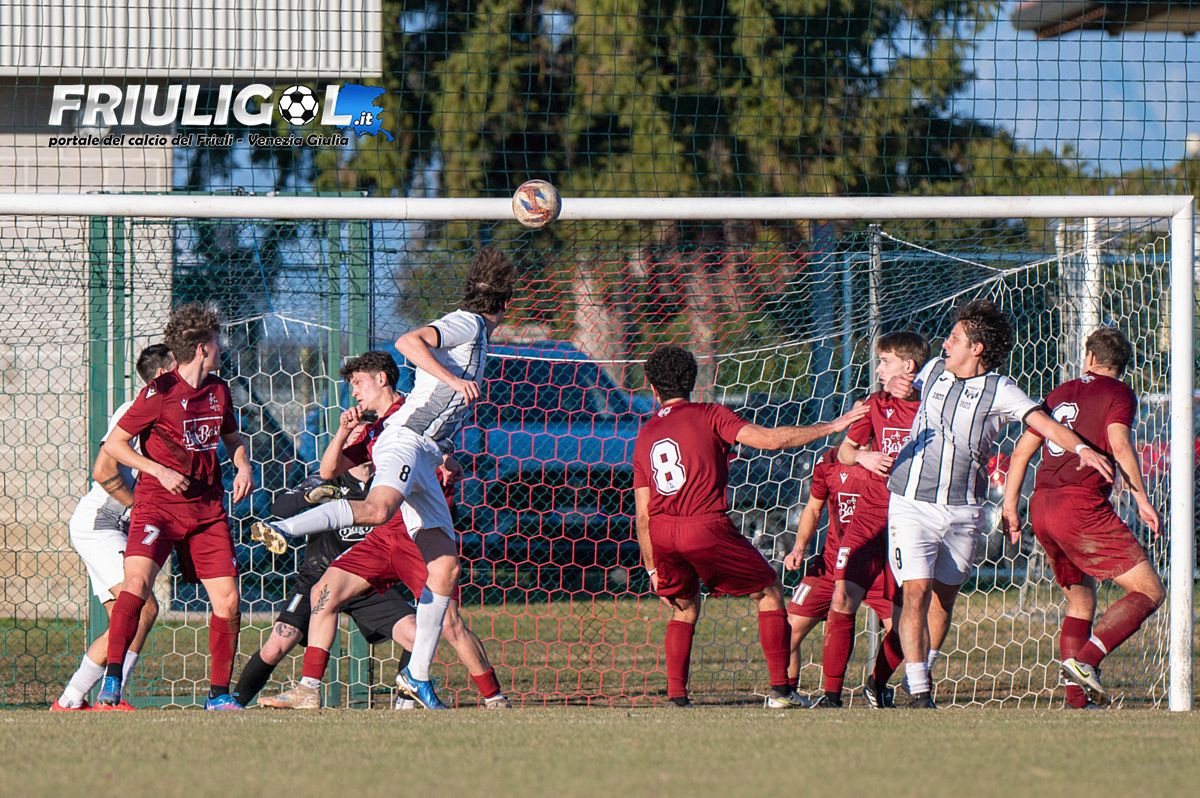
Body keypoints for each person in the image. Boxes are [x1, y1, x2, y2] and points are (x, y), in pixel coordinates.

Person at [252, 248, 514, 710]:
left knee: (446, 570)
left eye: (358, 383)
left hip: (423, 454)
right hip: (406, 447)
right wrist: (454, 382)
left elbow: (433, 410)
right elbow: (409, 341)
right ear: (506, 304)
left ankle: (419, 678)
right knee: (375, 511)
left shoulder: (473, 340)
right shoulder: (468, 323)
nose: (353, 391)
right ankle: (283, 528)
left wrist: (446, 455)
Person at [884, 299, 1114, 708]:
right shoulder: (933, 370)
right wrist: (900, 386)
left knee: (943, 599)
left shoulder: (1001, 390)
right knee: (916, 591)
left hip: (963, 509)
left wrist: (1082, 448)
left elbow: (1045, 425)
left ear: (976, 348)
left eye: (954, 338)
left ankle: (922, 668)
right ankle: (920, 690)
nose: (945, 343)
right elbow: (906, 386)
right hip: (911, 502)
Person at [632, 345, 867, 708]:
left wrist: (651, 568)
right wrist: (833, 426)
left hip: (663, 532)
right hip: (703, 525)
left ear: (651, 386)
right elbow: (770, 440)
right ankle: (781, 692)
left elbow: (642, 514)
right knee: (769, 590)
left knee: (684, 607)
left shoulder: (647, 432)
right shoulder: (710, 414)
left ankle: (677, 697)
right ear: (692, 382)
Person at [95, 304, 254, 710]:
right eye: (216, 342)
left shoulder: (219, 390)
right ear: (202, 348)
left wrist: (243, 465)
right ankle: (112, 678)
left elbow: (232, 439)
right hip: (158, 507)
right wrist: (158, 470)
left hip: (206, 511)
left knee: (228, 601)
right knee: (136, 586)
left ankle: (218, 695)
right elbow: (115, 445)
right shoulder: (159, 392)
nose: (221, 348)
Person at [1002, 327, 1163, 707]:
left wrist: (1010, 506)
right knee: (1149, 591)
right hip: (1079, 507)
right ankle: (1086, 661)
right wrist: (1141, 499)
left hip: (1043, 506)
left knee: (1080, 603)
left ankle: (1077, 702)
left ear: (1088, 357)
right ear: (1123, 365)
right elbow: (1120, 443)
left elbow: (1021, 452)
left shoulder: (1059, 392)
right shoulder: (1119, 393)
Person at [231, 464, 420, 708]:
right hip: (317, 576)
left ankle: (405, 705)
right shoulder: (326, 479)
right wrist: (309, 497)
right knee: (275, 646)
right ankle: (233, 704)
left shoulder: (388, 483)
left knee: (416, 635)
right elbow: (280, 508)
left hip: (367, 581)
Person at [51, 344, 175, 711]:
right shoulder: (134, 410)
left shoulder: (172, 414)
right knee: (143, 607)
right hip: (99, 523)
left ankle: (70, 700)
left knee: (123, 621)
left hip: (117, 525)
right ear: (161, 375)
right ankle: (110, 697)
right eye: (177, 367)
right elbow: (103, 470)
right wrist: (138, 507)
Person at [818, 332, 928, 708]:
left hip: (913, 518)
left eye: (885, 361)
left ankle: (877, 683)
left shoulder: (935, 403)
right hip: (870, 515)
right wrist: (864, 457)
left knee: (906, 617)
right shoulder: (875, 404)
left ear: (908, 366)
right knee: (842, 596)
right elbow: (846, 452)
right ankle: (831, 696)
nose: (878, 369)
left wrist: (918, 390)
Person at [781, 447, 895, 707]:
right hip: (831, 564)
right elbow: (813, 508)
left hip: (877, 566)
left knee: (904, 632)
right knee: (787, 630)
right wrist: (798, 548)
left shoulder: (887, 462)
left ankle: (878, 686)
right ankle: (788, 695)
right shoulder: (829, 462)